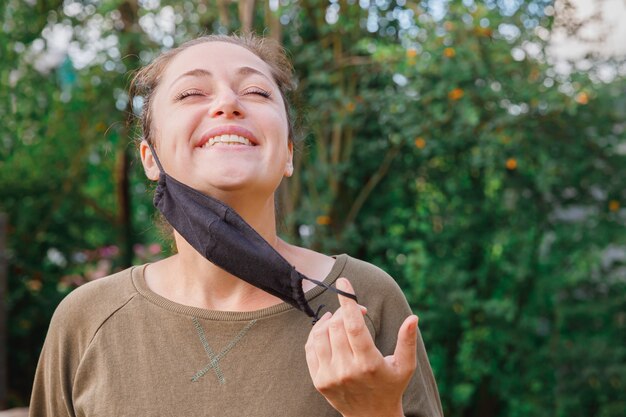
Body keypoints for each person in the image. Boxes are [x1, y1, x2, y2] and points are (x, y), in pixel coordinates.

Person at [29, 34, 443, 417]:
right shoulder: (86, 319)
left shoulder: (365, 301)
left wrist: (376, 411)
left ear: (287, 156)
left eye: (257, 92)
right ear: (149, 157)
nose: (228, 102)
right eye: (192, 93)